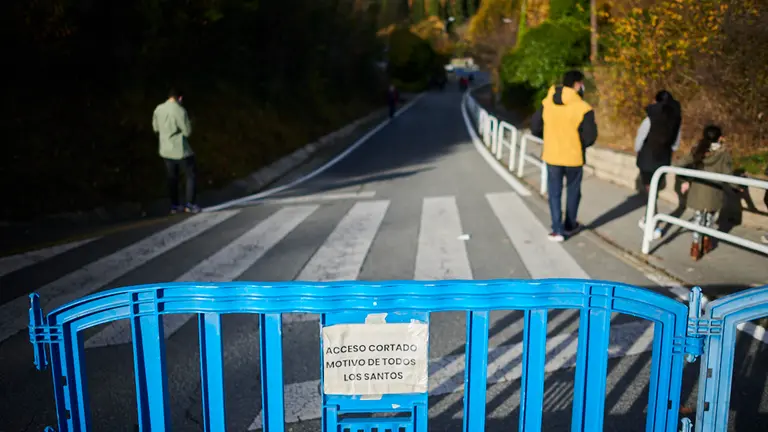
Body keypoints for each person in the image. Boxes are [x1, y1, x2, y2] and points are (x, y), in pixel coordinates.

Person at [530, 70, 598, 242]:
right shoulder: (583, 108)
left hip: (552, 155)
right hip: (574, 157)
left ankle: (556, 229)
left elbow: (535, 127)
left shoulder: (547, 103)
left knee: (554, 192)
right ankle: (570, 225)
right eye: (581, 84)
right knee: (573, 191)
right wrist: (577, 144)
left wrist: (551, 138)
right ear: (577, 84)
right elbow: (590, 136)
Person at [675, 125, 732, 260]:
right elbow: (728, 174)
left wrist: (685, 179)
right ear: (720, 138)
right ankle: (706, 242)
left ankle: (695, 248)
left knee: (698, 218)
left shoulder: (698, 149)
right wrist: (738, 187)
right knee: (710, 219)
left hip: (698, 190)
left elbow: (679, 164)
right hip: (715, 191)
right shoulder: (724, 153)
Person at [635, 90, 683, 238]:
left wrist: (638, 151)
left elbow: (640, 138)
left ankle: (651, 222)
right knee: (654, 190)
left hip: (647, 157)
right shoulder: (676, 119)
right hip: (663, 159)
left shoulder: (650, 118)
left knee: (650, 191)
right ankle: (650, 219)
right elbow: (675, 144)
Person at [152, 88, 200, 214]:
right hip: (180, 150)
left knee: (172, 178)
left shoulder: (158, 109)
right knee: (190, 175)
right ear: (180, 98)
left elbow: (155, 128)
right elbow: (187, 132)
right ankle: (190, 204)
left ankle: (175, 205)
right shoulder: (180, 110)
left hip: (165, 149)